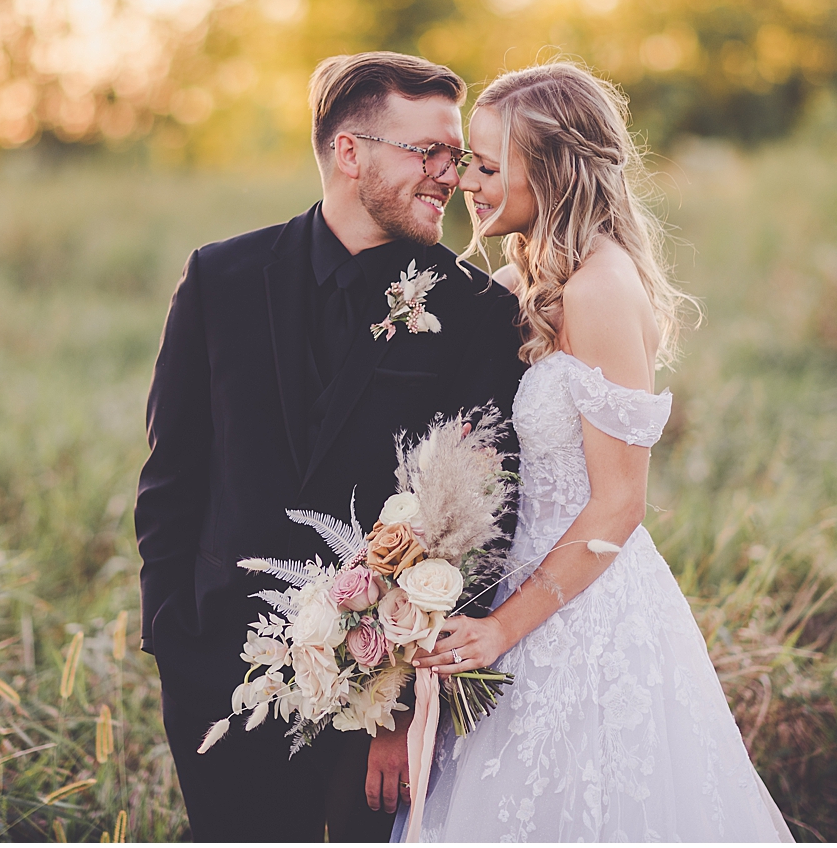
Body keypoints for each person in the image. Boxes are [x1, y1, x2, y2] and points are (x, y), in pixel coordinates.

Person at [394, 61, 795, 842]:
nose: (467, 182)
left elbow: (620, 500)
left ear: (547, 168)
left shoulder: (600, 289)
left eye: (486, 163)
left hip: (580, 611)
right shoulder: (530, 275)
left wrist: (503, 629)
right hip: (515, 591)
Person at [135, 52, 528, 842]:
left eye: (454, 155)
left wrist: (406, 707)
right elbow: (170, 476)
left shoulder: (478, 311)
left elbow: (487, 519)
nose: (450, 175)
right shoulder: (221, 278)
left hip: (374, 706)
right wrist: (173, 639)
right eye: (429, 152)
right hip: (222, 674)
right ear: (350, 152)